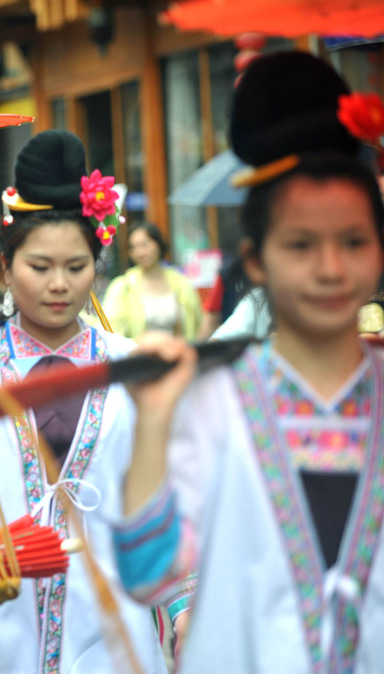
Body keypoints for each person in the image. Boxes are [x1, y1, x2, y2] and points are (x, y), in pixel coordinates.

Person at [113, 51, 384, 672]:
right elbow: (149, 577)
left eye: (354, 241)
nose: (330, 268)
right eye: (300, 244)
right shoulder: (210, 400)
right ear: (255, 262)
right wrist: (154, 423)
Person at [0, 131, 172, 673]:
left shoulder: (131, 368)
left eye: (76, 267)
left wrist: (184, 601)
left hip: (108, 619)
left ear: (97, 265)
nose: (59, 285)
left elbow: (163, 496)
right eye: (39, 266)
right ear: (5, 266)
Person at [103, 223, 202, 340]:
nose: (140, 252)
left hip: (178, 352)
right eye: (133, 247)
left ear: (158, 244)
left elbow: (198, 324)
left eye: (144, 245)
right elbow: (112, 332)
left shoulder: (181, 283)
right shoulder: (122, 286)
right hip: (140, 355)